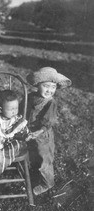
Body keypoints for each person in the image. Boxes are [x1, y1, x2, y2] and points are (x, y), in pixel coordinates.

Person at [25, 67, 72, 195]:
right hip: (30, 131)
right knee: (33, 154)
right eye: (46, 86)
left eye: (53, 87)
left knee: (44, 158)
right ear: (37, 85)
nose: (49, 90)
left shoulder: (50, 103)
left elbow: (49, 120)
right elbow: (24, 110)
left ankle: (47, 183)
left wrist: (40, 130)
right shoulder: (31, 97)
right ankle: (34, 172)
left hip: (43, 134)